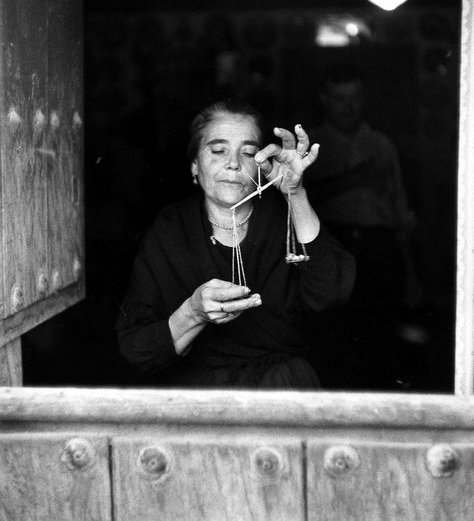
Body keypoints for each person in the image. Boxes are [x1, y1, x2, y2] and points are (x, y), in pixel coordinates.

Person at [116, 99, 355, 389]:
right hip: (196, 392)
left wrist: (295, 193)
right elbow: (137, 349)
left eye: (249, 152)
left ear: (260, 168)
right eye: (218, 150)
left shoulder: (281, 218)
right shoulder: (170, 229)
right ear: (194, 166)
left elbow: (331, 293)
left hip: (281, 387)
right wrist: (193, 312)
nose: (233, 163)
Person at [306, 62, 418, 390]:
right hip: (329, 246)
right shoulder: (309, 143)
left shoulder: (382, 145)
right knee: (331, 338)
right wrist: (351, 179)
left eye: (355, 97)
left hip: (378, 249)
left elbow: (399, 212)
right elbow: (290, 201)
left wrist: (411, 274)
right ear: (325, 99)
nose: (349, 106)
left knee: (379, 340)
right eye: (340, 98)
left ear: (365, 98)